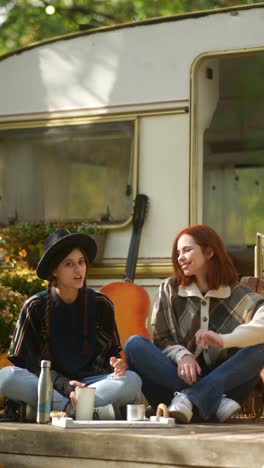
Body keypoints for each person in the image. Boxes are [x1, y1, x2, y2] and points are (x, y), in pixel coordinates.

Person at [125, 224, 264, 423]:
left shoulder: (239, 294)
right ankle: (208, 399)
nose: (180, 257)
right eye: (178, 252)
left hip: (224, 387)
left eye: (187, 250)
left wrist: (224, 340)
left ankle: (194, 397)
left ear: (209, 251)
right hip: (177, 394)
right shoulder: (170, 289)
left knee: (261, 345)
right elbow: (161, 339)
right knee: (134, 345)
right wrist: (183, 356)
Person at [0, 228, 141, 421]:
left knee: (132, 381)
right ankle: (84, 411)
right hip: (51, 385)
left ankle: (57, 410)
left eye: (81, 262)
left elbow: (111, 354)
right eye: (69, 264)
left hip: (91, 385)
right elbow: (28, 364)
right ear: (53, 270)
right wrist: (66, 386)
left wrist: (118, 364)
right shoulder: (35, 307)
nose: (78, 270)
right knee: (6, 377)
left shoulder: (102, 304)